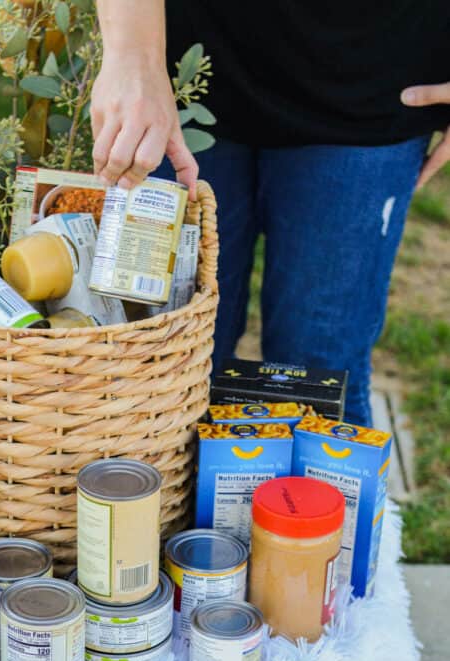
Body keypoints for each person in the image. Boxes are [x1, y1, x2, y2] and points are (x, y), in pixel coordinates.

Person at [90, 0, 450, 425]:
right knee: (160, 359)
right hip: (180, 81)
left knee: (320, 373)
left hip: (376, 80)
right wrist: (132, 57)